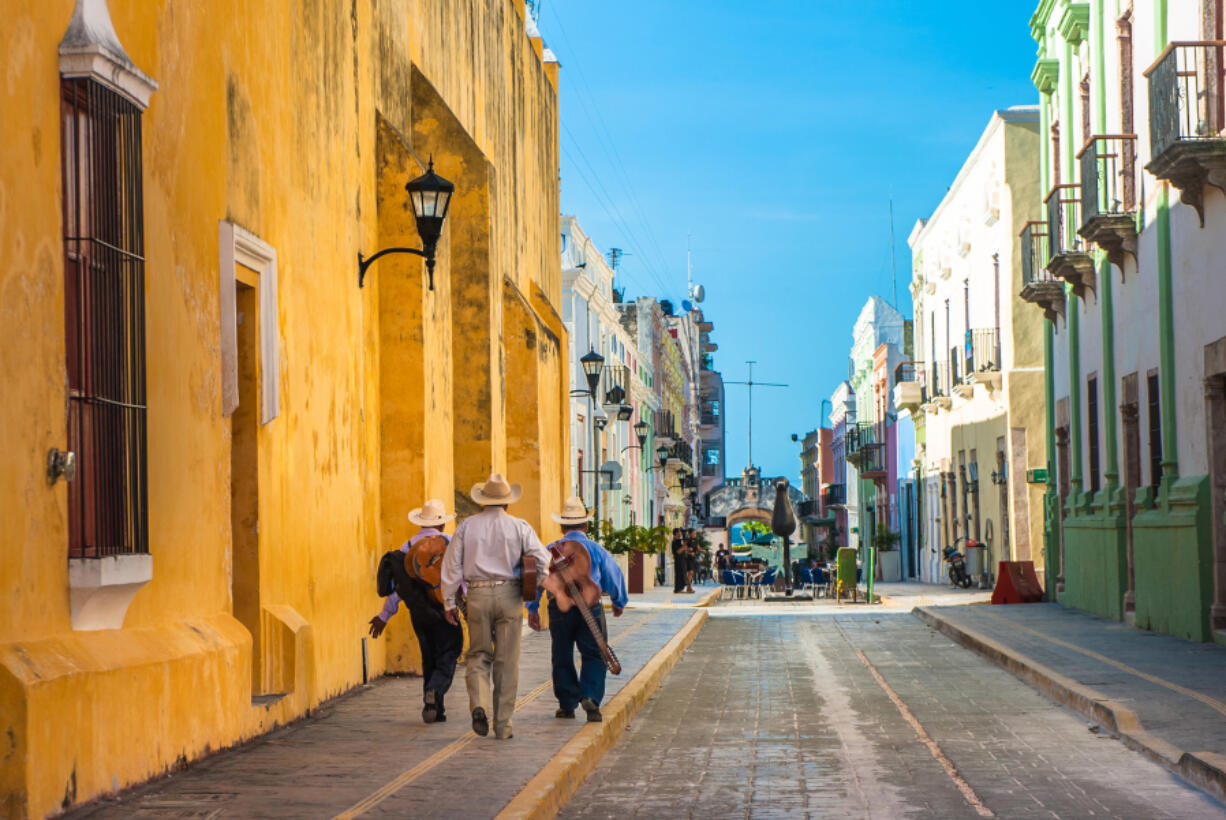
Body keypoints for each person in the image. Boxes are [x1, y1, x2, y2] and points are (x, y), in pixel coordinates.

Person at [441, 473, 551, 740]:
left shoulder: (466, 526)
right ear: (507, 503)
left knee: (478, 654)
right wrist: (536, 583)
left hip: (477, 594)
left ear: (483, 502)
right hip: (509, 594)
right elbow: (542, 559)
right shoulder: (519, 526)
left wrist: (448, 601)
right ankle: (503, 725)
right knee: (506, 660)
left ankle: (479, 704)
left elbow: (452, 566)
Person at [527, 497, 627, 723]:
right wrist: (618, 602)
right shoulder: (596, 549)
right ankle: (590, 695)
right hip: (590, 607)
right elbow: (614, 576)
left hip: (558, 607)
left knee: (561, 653)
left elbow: (533, 577)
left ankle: (566, 704)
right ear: (587, 525)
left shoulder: (549, 550)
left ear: (561, 527)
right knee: (593, 653)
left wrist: (532, 608)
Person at [368, 499, 462, 724]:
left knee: (429, 657)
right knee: (450, 651)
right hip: (445, 607)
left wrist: (384, 616)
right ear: (441, 524)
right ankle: (436, 689)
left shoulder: (406, 548)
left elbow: (401, 589)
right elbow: (461, 577)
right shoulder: (449, 542)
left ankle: (434, 707)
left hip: (419, 612)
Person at [671, 528, 686, 593]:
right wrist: (684, 547)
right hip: (678, 560)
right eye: (679, 532)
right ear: (676, 533)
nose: (681, 533)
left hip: (682, 559)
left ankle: (681, 588)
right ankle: (677, 589)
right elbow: (678, 551)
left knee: (682, 574)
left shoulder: (679, 541)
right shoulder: (674, 542)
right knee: (679, 574)